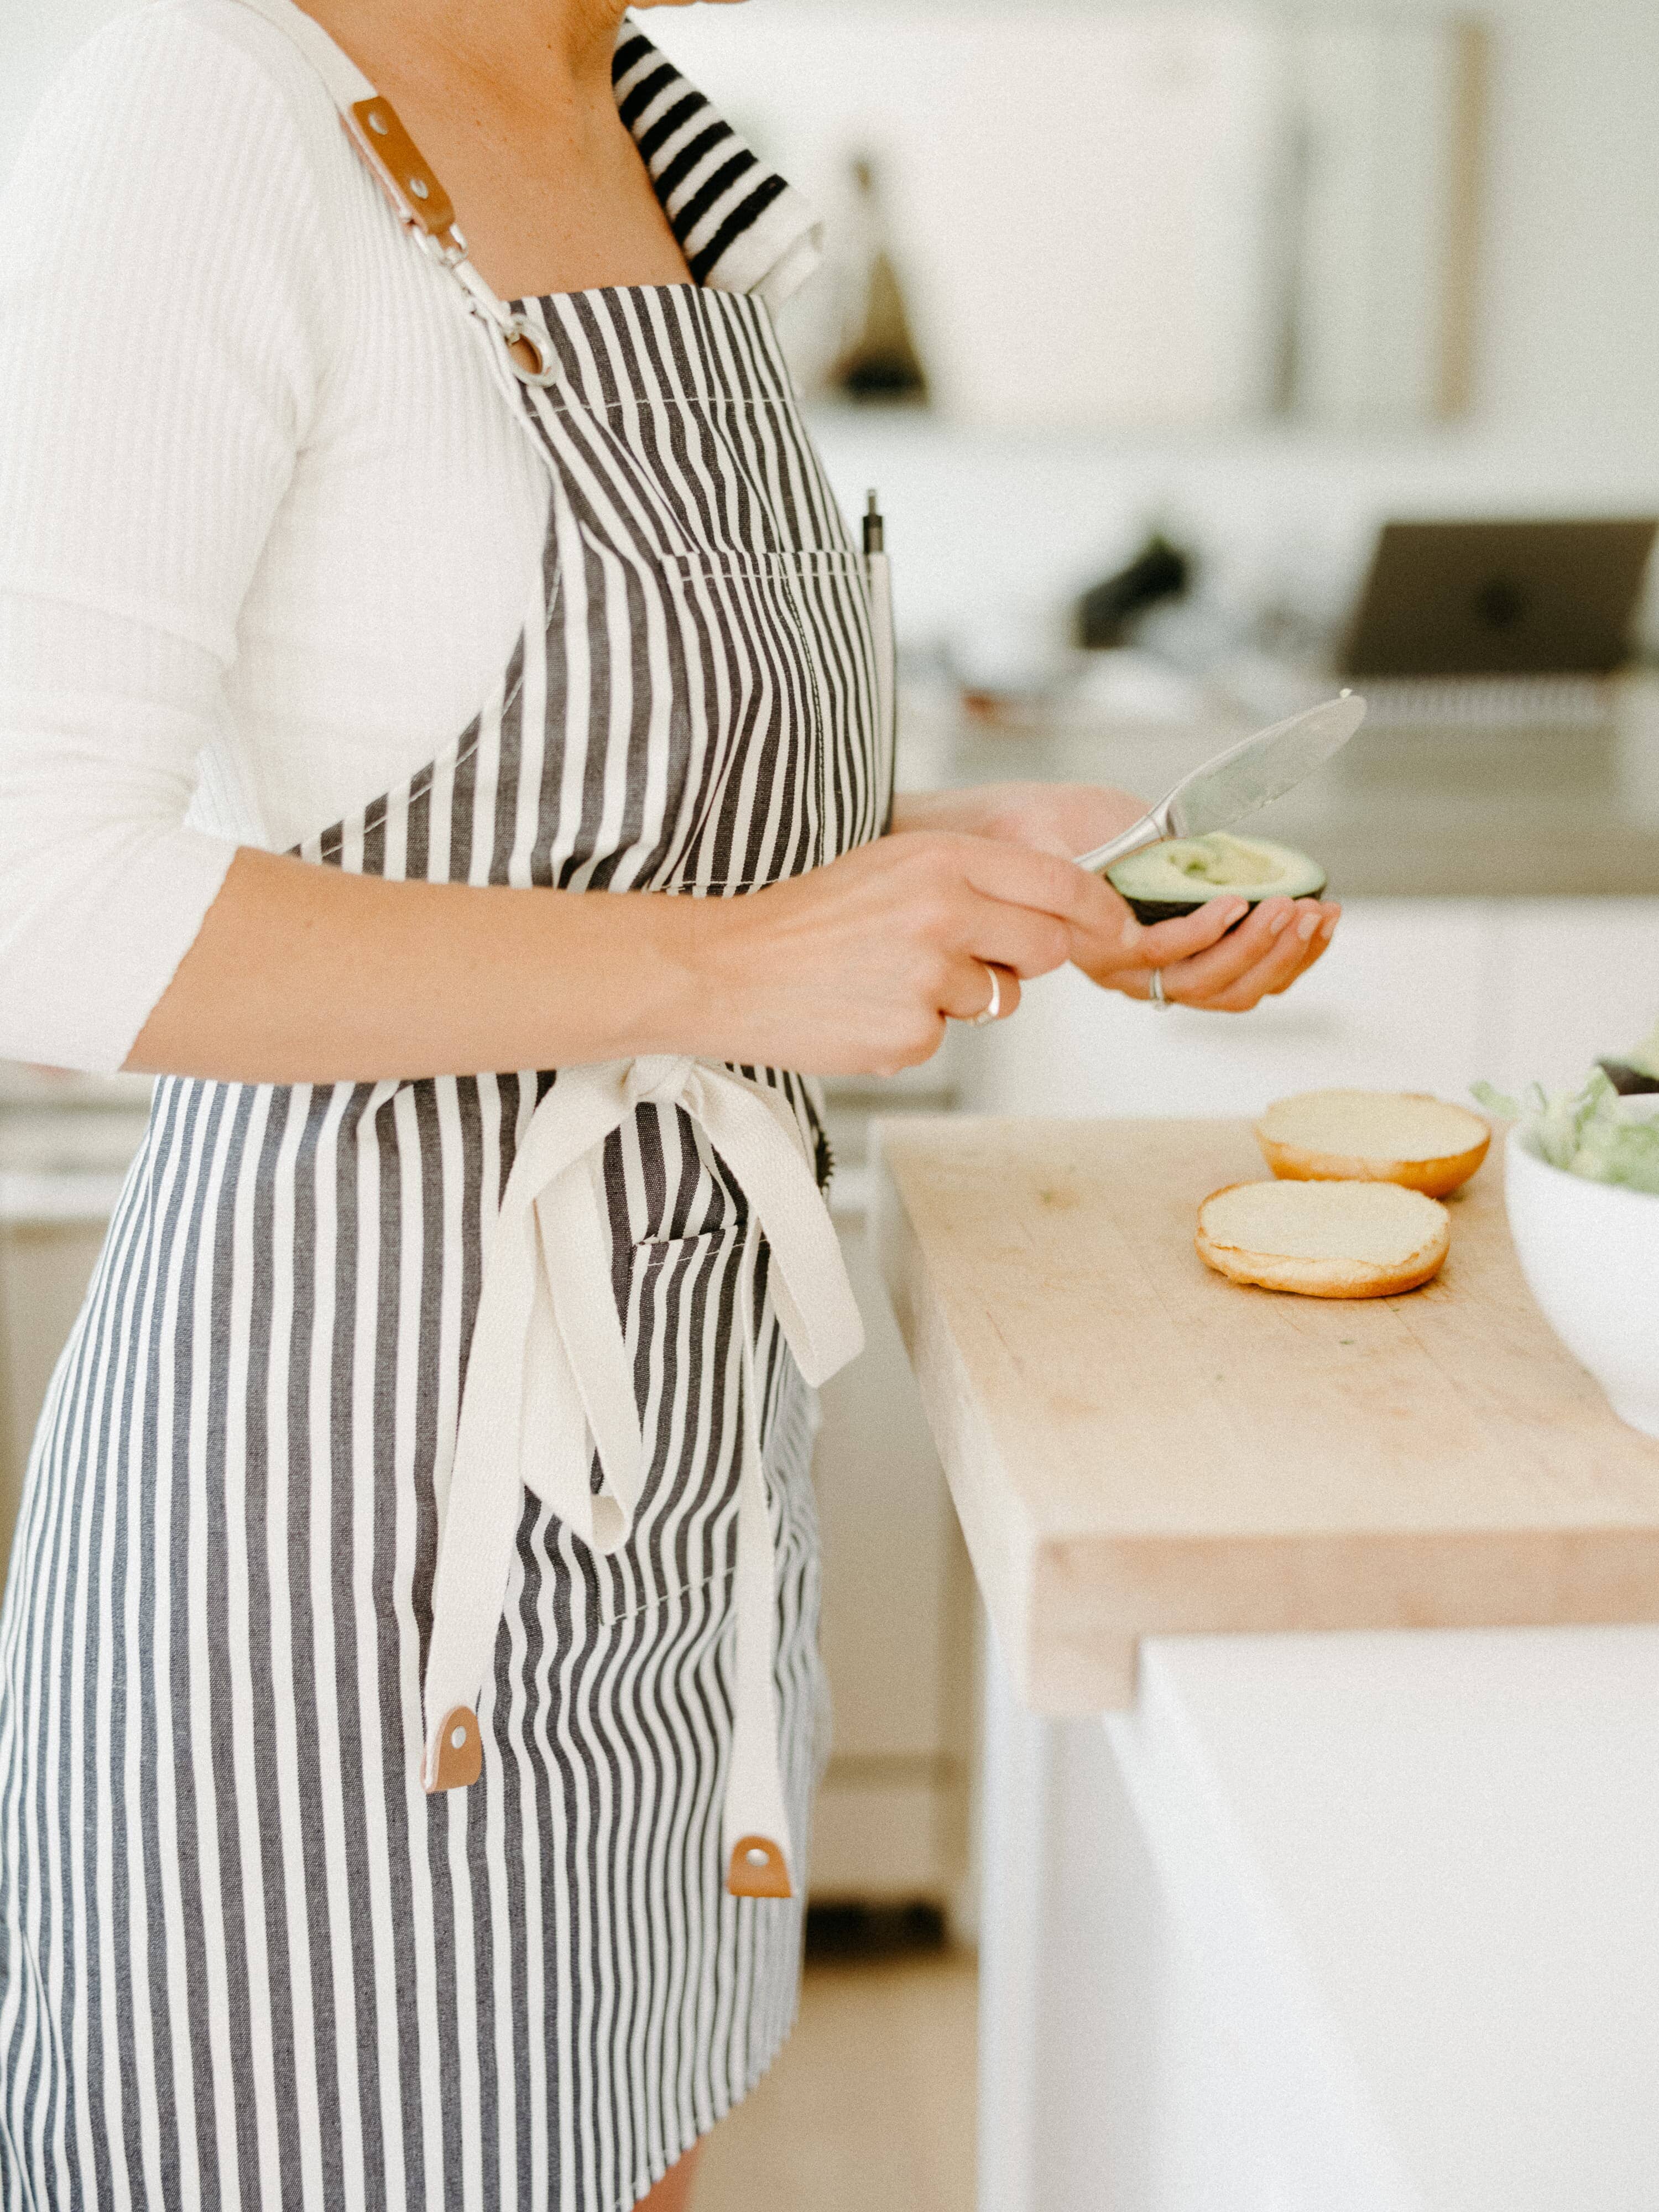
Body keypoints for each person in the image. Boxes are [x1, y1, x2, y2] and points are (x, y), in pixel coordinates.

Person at [0, 0, 1339, 2203]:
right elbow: (37, 886)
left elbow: (628, 818)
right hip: (340, 1553)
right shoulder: (213, 104)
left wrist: (999, 853)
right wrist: (739, 966)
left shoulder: (656, 138)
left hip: (681, 1515)